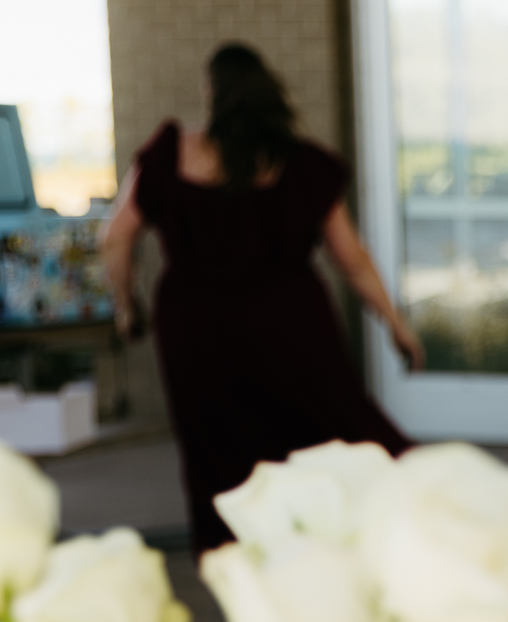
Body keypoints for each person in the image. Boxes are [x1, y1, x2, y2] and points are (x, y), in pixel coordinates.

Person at [103, 43, 425, 551]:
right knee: (333, 428)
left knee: (216, 446)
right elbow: (353, 260)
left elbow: (115, 238)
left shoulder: (170, 154)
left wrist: (128, 307)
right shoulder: (300, 162)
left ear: (210, 92)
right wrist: (396, 324)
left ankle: (239, 560)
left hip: (196, 324)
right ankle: (391, 526)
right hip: (290, 320)